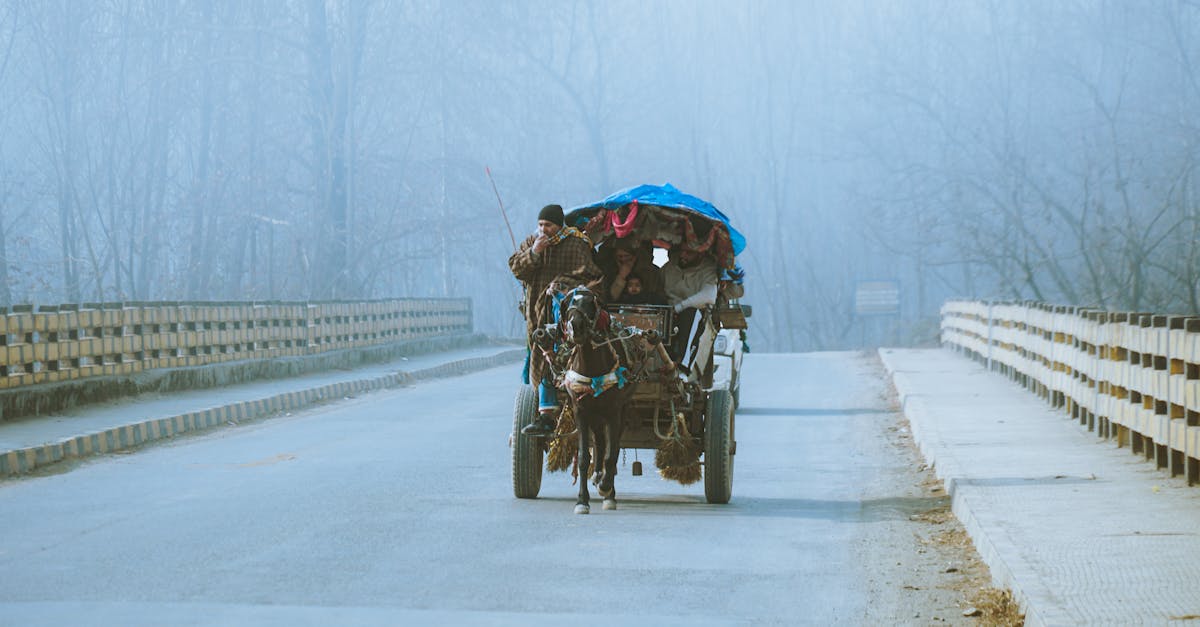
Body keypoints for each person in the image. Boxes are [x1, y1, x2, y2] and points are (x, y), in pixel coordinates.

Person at [508, 204, 602, 436]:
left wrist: (562, 285)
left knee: (562, 357)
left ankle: (576, 403)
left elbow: (591, 275)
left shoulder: (576, 244)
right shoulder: (531, 242)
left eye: (548, 225)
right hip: (536, 316)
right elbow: (517, 269)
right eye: (540, 225)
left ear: (559, 226)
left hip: (568, 317)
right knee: (541, 359)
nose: (543, 229)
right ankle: (546, 415)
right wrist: (534, 253)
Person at [661, 246, 720, 377]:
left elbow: (708, 296)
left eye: (689, 252)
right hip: (667, 313)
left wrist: (680, 307)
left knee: (691, 315)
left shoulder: (707, 270)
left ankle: (683, 369)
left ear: (700, 254)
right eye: (682, 250)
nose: (683, 255)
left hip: (690, 315)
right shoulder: (669, 268)